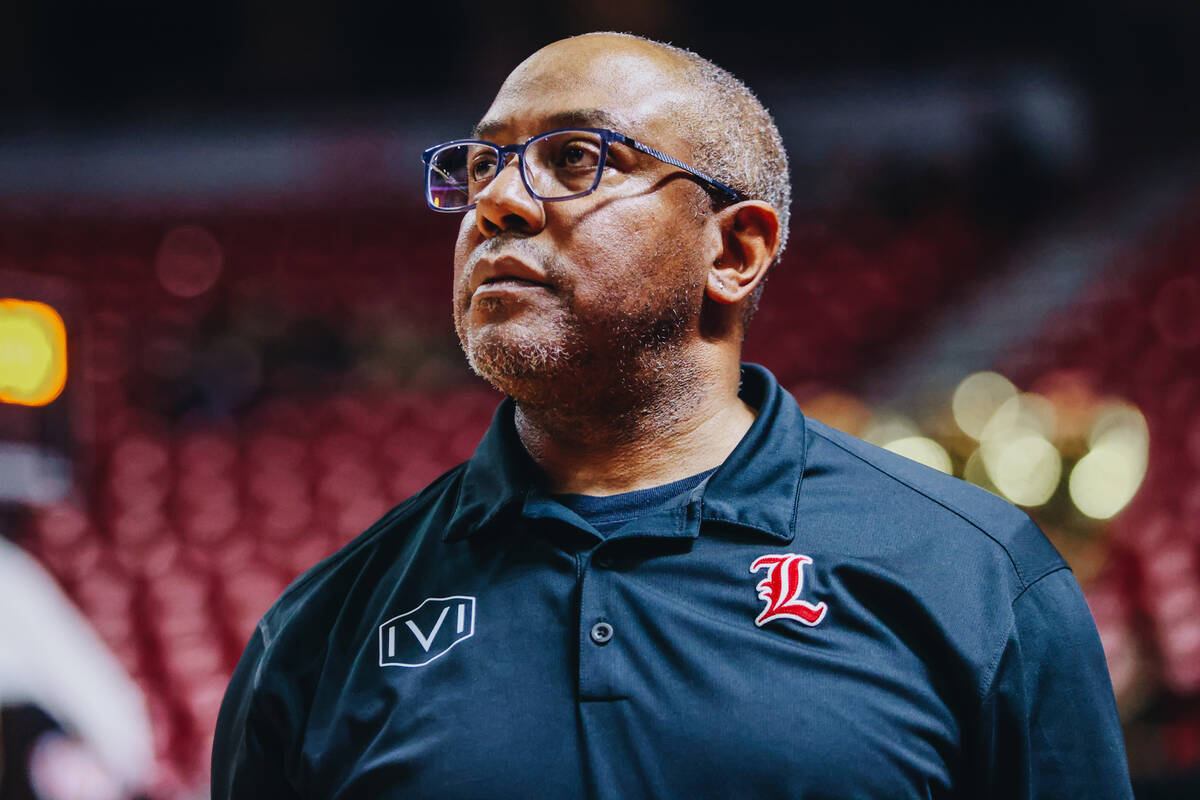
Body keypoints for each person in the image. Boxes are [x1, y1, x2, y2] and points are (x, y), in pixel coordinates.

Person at [212, 32, 1132, 798]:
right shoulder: (321, 630)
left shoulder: (978, 579)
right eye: (481, 163)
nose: (493, 202)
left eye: (574, 158)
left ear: (735, 250)